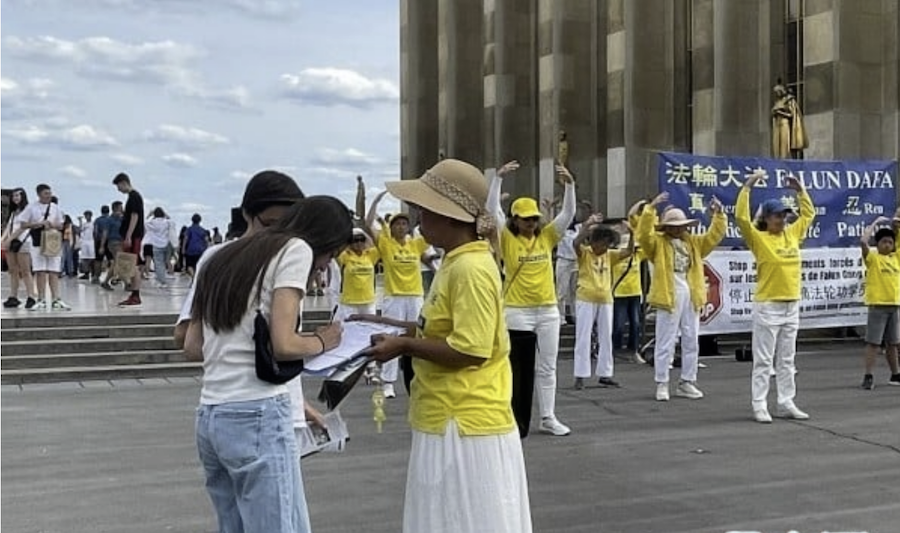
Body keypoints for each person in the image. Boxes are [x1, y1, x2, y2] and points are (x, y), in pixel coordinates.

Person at [358, 158, 533, 533]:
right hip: (448, 415)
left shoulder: (470, 269)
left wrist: (404, 346)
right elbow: (438, 328)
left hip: (466, 421)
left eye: (424, 209)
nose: (418, 217)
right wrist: (388, 327)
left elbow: (472, 350)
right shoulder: (455, 263)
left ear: (451, 216)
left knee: (461, 519)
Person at [184, 196, 351, 533]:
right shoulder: (296, 249)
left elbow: (193, 345)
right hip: (257, 413)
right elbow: (284, 344)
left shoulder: (221, 256)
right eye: (331, 253)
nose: (325, 265)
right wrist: (323, 341)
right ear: (322, 238)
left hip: (211, 414)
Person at [486, 160, 577, 436]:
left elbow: (567, 215)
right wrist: (497, 179)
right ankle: (512, 416)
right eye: (526, 218)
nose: (531, 222)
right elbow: (492, 211)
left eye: (534, 218)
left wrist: (571, 185)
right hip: (516, 311)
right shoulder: (506, 237)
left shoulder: (547, 236)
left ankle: (547, 417)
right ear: (514, 219)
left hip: (548, 310)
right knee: (516, 368)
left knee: (547, 367)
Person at [736, 171, 815, 423]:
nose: (782, 219)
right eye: (777, 215)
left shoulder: (792, 234)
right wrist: (748, 185)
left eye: (784, 215)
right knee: (763, 360)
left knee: (787, 359)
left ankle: (785, 401)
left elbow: (809, 214)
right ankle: (759, 403)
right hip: (768, 304)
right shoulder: (758, 239)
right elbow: (740, 217)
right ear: (767, 218)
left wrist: (800, 190)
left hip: (791, 304)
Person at [637, 192, 726, 402]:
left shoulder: (693, 243)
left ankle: (687, 381)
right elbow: (643, 236)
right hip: (669, 292)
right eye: (673, 225)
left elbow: (713, 237)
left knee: (691, 338)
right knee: (665, 339)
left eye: (681, 225)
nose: (678, 229)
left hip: (692, 291)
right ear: (666, 226)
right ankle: (662, 382)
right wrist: (650, 209)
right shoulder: (657, 243)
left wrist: (719, 215)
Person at [364, 193, 430, 399]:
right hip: (394, 296)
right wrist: (375, 201)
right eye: (397, 224)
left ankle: (420, 378)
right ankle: (388, 382)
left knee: (419, 336)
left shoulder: (416, 244)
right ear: (391, 228)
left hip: (415, 296)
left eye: (404, 224)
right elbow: (368, 223)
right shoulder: (386, 244)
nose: (401, 227)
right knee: (392, 337)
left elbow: (429, 232)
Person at [572, 215, 634, 389]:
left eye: (608, 243)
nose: (605, 247)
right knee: (583, 337)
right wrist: (587, 226)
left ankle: (605, 374)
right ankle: (580, 375)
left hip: (605, 299)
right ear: (594, 242)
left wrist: (632, 234)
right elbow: (576, 243)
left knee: (606, 336)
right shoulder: (585, 253)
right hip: (585, 298)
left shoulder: (610, 255)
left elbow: (628, 252)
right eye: (603, 243)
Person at [858, 218, 900, 389]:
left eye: (890, 242)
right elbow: (863, 242)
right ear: (878, 243)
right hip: (878, 306)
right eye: (884, 242)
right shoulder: (873, 259)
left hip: (894, 306)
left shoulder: (896, 258)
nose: (887, 245)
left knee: (893, 343)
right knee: (873, 343)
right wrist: (875, 223)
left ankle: (895, 374)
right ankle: (868, 375)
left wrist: (896, 227)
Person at [19, 184, 70, 310]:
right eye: (46, 193)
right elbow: (23, 224)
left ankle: (56, 299)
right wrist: (39, 224)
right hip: (37, 242)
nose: (48, 196)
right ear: (39, 194)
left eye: (49, 193)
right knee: (40, 270)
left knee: (54, 271)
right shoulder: (31, 207)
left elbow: (61, 225)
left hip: (52, 242)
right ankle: (41, 298)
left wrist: (52, 224)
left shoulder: (55, 208)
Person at [113, 173, 145, 307]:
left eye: (118, 186)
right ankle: (134, 293)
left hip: (133, 235)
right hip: (133, 234)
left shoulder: (134, 197)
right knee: (132, 264)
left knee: (133, 264)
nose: (118, 189)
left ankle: (136, 294)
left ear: (123, 182)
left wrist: (128, 236)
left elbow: (134, 216)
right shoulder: (132, 197)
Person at [334, 228, 380, 321]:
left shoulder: (370, 255)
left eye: (361, 240)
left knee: (369, 329)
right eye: (355, 240)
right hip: (349, 302)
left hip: (368, 301)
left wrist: (364, 233)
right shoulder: (345, 256)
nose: (359, 243)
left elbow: (378, 242)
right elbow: (336, 247)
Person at [2, 188, 37, 308]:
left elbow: (22, 228)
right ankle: (13, 296)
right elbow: (9, 227)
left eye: (18, 195)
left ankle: (31, 296)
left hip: (23, 241)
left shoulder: (28, 210)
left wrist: (9, 240)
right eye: (14, 196)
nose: (15, 198)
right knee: (12, 271)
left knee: (25, 271)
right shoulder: (13, 212)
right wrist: (3, 240)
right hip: (11, 243)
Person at [100, 202, 124, 291]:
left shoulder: (121, 219)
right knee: (118, 262)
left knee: (117, 262)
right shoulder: (109, 220)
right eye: (121, 207)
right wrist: (102, 246)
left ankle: (115, 279)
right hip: (113, 242)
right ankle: (107, 281)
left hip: (120, 242)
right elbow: (105, 233)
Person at [145, 208, 172, 288]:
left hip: (156, 244)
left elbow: (145, 223)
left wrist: (149, 215)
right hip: (167, 244)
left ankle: (162, 281)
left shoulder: (152, 222)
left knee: (159, 263)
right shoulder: (167, 222)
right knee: (165, 261)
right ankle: (163, 277)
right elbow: (171, 221)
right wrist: (166, 214)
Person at [182, 214, 210, 278]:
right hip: (201, 250)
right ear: (200, 220)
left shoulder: (189, 229)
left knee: (189, 266)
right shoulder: (203, 230)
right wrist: (207, 248)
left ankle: (193, 276)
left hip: (190, 250)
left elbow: (185, 239)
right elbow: (206, 240)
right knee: (199, 265)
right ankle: (196, 276)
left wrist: (183, 248)